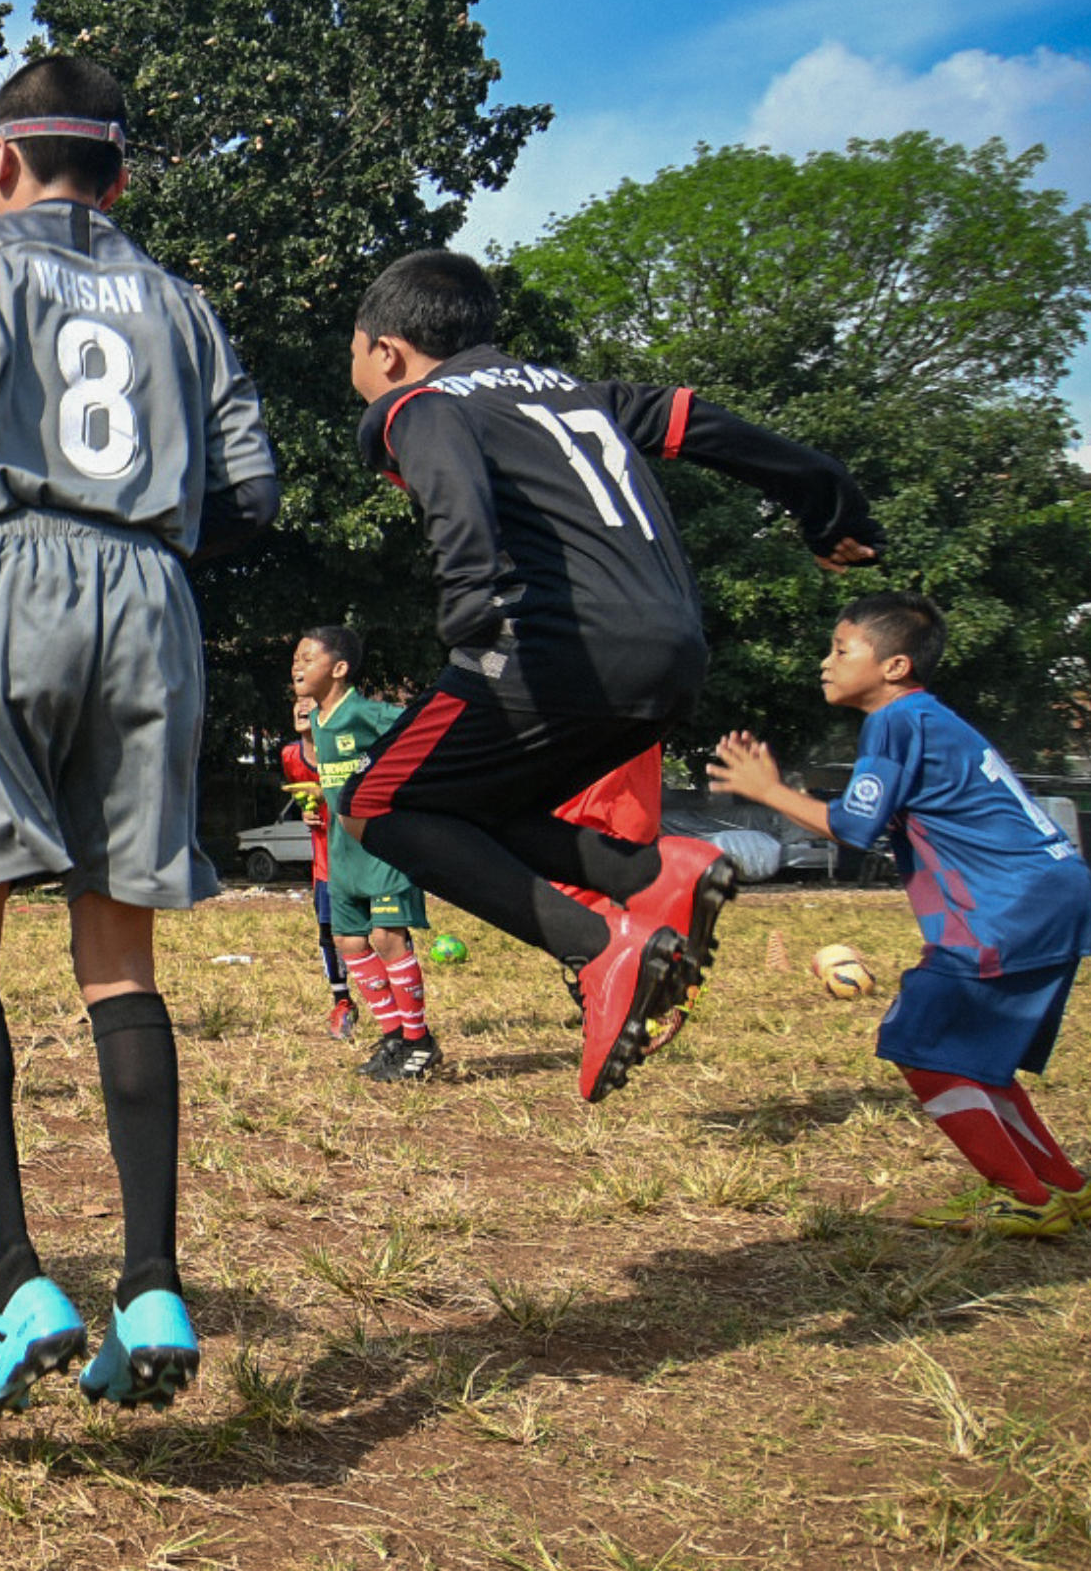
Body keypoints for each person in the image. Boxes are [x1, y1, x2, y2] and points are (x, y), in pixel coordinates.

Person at [0, 53, 279, 1428]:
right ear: (119, 177)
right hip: (151, 591)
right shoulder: (182, 301)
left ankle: (13, 1283)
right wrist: (144, 539)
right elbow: (250, 494)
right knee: (119, 949)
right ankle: (154, 1283)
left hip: (7, 569)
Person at [336, 249, 880, 1103]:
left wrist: (470, 602)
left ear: (390, 352)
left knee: (376, 806)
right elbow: (712, 426)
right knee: (475, 806)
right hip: (672, 656)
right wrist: (830, 502)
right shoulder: (574, 392)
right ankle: (650, 875)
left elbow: (451, 483)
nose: (361, 378)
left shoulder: (419, 402)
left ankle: (599, 952)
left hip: (552, 650)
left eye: (357, 357)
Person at [709, 596, 1091, 1236]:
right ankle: (1066, 1187)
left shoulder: (896, 721)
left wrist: (768, 790)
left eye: (841, 650)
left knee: (918, 1043)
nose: (825, 663)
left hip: (1007, 907)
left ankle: (1022, 1198)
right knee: (974, 1060)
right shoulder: (928, 720)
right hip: (1055, 895)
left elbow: (853, 829)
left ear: (894, 665)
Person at [289, 628, 436, 1077]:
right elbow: (322, 768)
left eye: (307, 658)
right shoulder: (317, 719)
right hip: (342, 852)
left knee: (390, 939)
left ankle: (419, 1041)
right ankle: (393, 1036)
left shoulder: (367, 712)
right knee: (348, 940)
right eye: (295, 657)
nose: (296, 665)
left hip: (384, 848)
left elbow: (422, 732)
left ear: (339, 669)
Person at [279, 698, 357, 1040]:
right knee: (329, 934)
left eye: (309, 701)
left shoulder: (347, 748)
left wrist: (326, 795)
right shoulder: (290, 756)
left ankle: (402, 1009)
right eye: (296, 701)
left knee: (382, 933)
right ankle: (342, 1003)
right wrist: (307, 810)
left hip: (361, 855)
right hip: (325, 862)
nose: (301, 706)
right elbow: (304, 797)